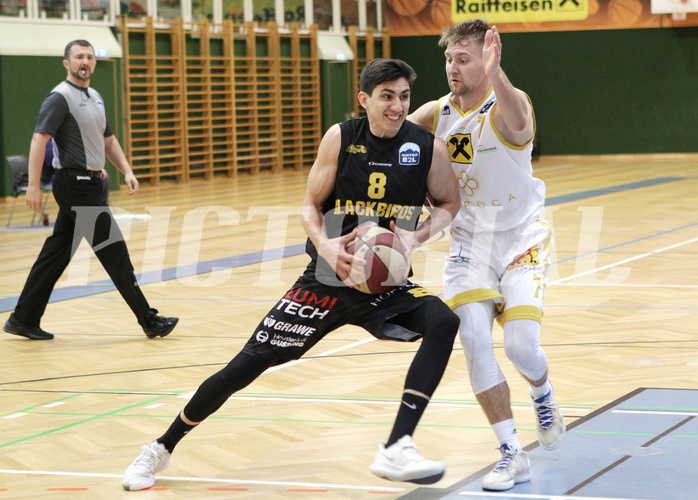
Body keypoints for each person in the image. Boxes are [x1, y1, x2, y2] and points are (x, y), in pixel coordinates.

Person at [122, 58, 460, 491]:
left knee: (444, 321)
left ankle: (398, 444)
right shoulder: (341, 138)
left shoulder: (427, 146)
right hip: (326, 279)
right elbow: (309, 205)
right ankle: (161, 447)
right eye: (387, 96)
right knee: (245, 366)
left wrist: (414, 240)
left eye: (404, 97)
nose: (397, 106)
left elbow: (449, 203)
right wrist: (325, 245)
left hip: (385, 285)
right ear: (364, 99)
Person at [408, 20, 565, 491]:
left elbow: (521, 123)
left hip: (521, 238)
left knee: (520, 347)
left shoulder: (507, 106)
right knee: (472, 338)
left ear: (486, 59)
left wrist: (498, 76)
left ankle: (542, 391)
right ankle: (511, 452)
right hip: (470, 245)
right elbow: (388, 139)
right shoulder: (437, 113)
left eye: (463, 59)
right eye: (449, 60)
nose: (453, 69)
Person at [3, 40, 178, 341]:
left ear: (95, 63)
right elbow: (38, 141)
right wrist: (32, 186)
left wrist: (127, 170)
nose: (85, 61)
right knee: (115, 252)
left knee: (55, 254)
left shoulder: (95, 96)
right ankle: (148, 319)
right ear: (66, 63)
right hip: (75, 185)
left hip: (91, 184)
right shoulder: (60, 97)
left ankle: (24, 318)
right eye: (79, 56)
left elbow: (108, 140)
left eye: (90, 57)